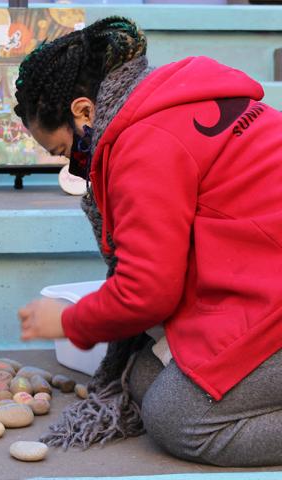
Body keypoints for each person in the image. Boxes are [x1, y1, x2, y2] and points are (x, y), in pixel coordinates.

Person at [14, 16, 282, 467]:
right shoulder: (166, 101)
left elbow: (147, 292)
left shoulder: (144, 144)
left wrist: (70, 320)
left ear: (83, 112)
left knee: (177, 420)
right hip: (258, 279)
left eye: (60, 150)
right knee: (141, 379)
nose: (70, 164)